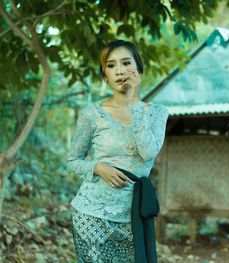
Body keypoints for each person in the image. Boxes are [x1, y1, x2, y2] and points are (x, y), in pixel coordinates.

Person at [67, 40, 169, 263]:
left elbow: (147, 153)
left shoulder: (157, 113)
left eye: (126, 63)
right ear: (105, 75)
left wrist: (134, 102)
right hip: (91, 214)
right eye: (111, 65)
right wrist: (98, 167)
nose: (120, 71)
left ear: (139, 69)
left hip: (135, 218)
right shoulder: (92, 114)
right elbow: (73, 160)